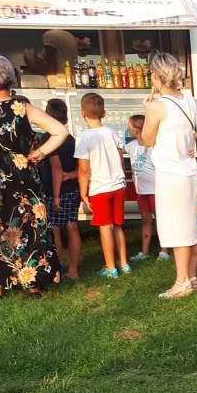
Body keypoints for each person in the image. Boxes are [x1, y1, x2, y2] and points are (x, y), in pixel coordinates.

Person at [0, 55, 68, 300]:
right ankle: (32, 283)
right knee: (28, 225)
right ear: (12, 78)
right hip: (22, 176)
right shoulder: (22, 107)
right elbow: (60, 131)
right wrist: (40, 153)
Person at [140, 51, 197, 299]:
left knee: (177, 230)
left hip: (170, 174)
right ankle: (192, 276)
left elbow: (147, 139)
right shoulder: (189, 100)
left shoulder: (157, 106)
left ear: (157, 75)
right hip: (189, 172)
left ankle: (182, 281)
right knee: (190, 225)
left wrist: (147, 108)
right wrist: (193, 136)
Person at [75, 93, 130, 279]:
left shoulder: (84, 137)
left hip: (99, 188)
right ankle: (124, 263)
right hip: (118, 185)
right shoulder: (112, 132)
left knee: (105, 227)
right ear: (104, 113)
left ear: (82, 113)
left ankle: (110, 267)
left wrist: (83, 192)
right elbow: (120, 157)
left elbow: (83, 169)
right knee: (118, 226)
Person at [43, 98, 83, 280]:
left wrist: (56, 196)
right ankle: (74, 270)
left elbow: (56, 168)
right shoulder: (71, 139)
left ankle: (57, 268)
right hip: (73, 189)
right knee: (72, 226)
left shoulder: (50, 139)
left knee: (55, 229)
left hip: (56, 191)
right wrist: (72, 176)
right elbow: (81, 166)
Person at [126, 114, 160, 263]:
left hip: (155, 190)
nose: (128, 129)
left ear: (137, 129)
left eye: (129, 127)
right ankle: (144, 251)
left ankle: (164, 250)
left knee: (160, 220)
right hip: (141, 191)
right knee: (145, 220)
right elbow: (119, 151)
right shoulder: (131, 146)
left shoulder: (153, 146)